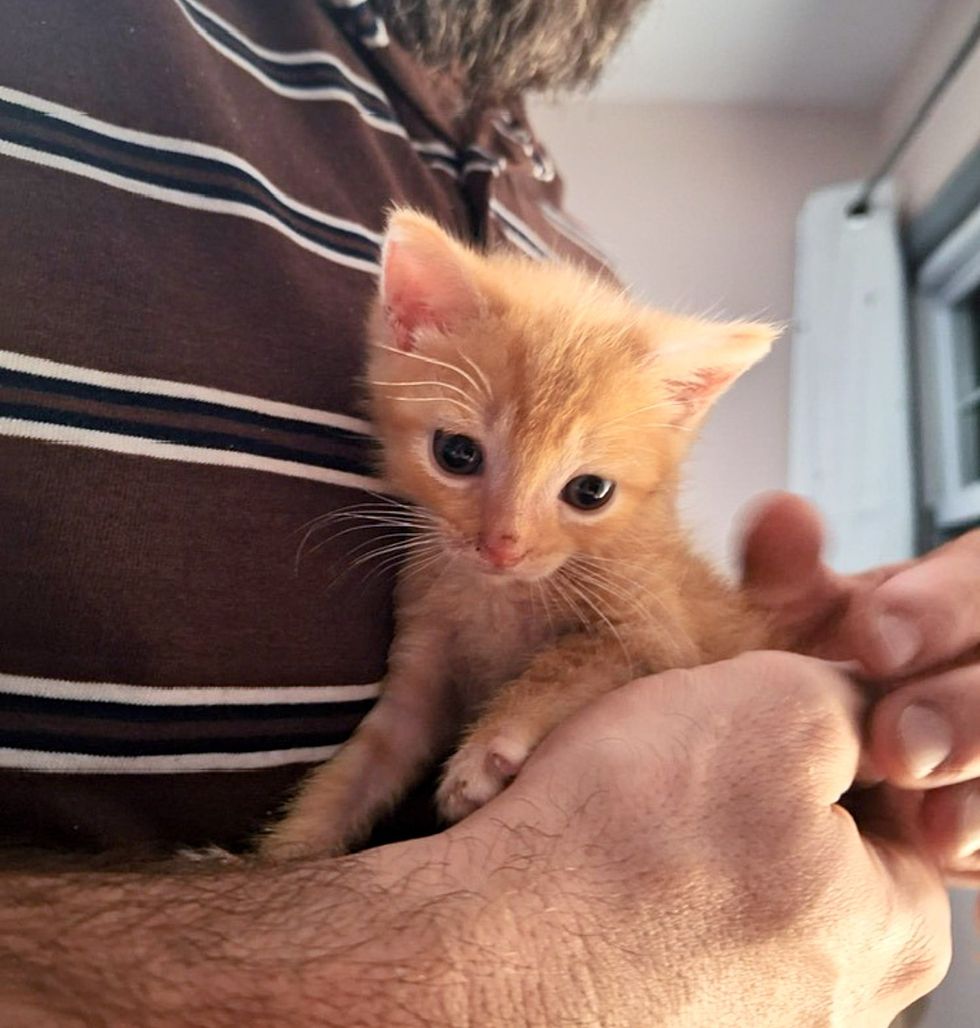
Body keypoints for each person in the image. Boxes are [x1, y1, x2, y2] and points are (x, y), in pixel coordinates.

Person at [0, 1, 975, 1022]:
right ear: (408, 324)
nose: (505, 539)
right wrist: (289, 881)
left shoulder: (564, 253)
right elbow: (401, 722)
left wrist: (878, 737)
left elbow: (648, 650)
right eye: (461, 456)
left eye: (584, 492)